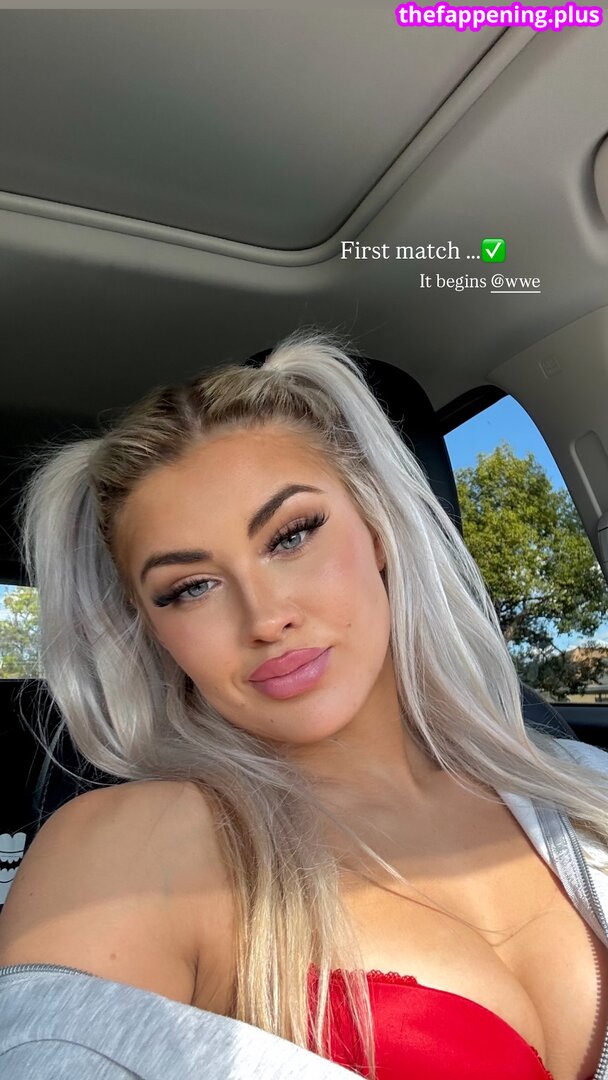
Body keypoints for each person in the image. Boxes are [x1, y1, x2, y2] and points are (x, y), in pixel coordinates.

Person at [1, 330, 608, 1080]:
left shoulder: (581, 782)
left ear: (378, 529)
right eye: (190, 588)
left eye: (292, 536)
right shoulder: (131, 847)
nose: (264, 617)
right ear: (152, 630)